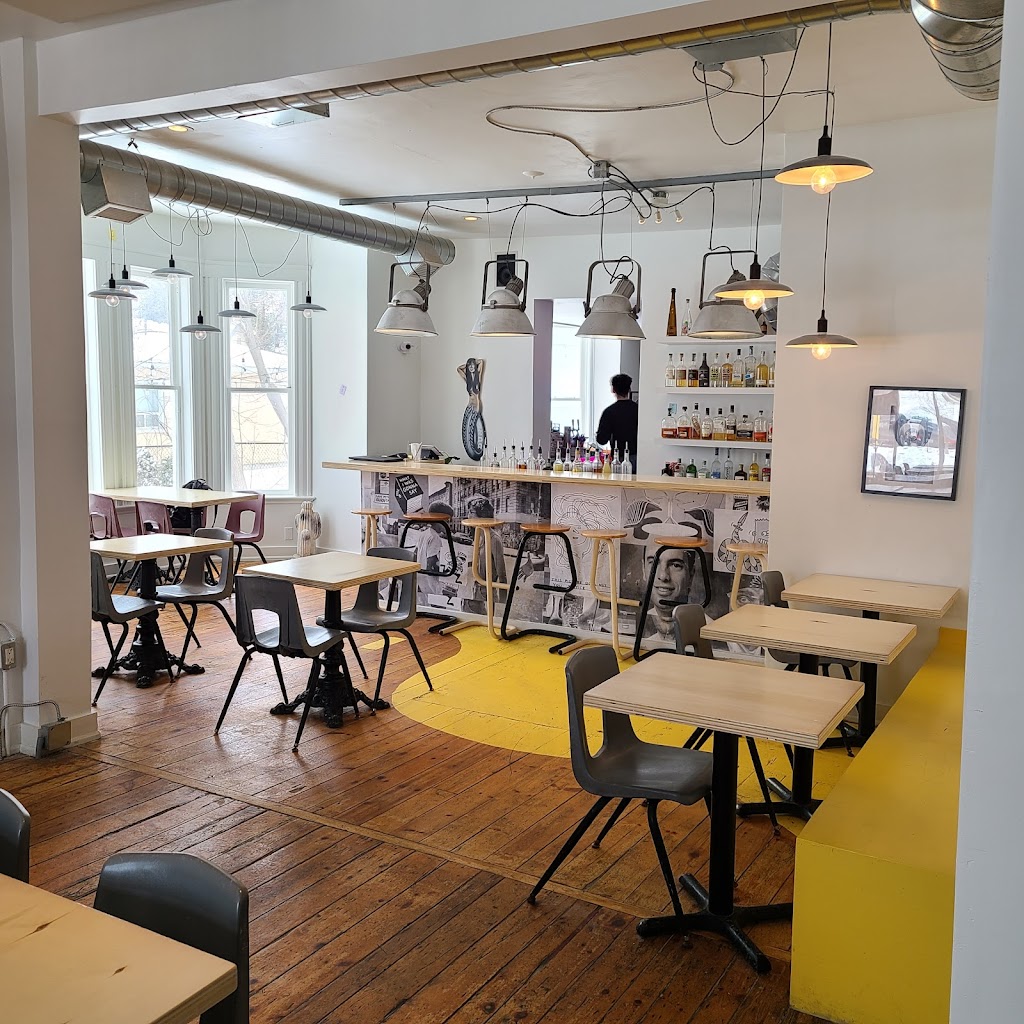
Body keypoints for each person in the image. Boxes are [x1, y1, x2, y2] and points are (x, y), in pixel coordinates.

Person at [596, 373, 638, 472]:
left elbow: (601, 440)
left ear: (613, 389)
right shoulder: (638, 410)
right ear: (629, 389)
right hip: (639, 457)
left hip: (618, 458)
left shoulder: (609, 412)